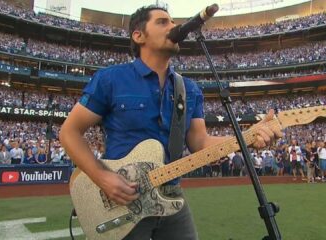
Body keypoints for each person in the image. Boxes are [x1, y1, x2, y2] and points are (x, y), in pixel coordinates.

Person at [59, 5, 281, 240]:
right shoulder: (110, 79)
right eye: (162, 22)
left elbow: (201, 142)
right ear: (139, 35)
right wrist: (102, 178)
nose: (173, 27)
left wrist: (248, 137)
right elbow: (69, 133)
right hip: (124, 200)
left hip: (172, 197)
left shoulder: (190, 90)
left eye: (173, 22)